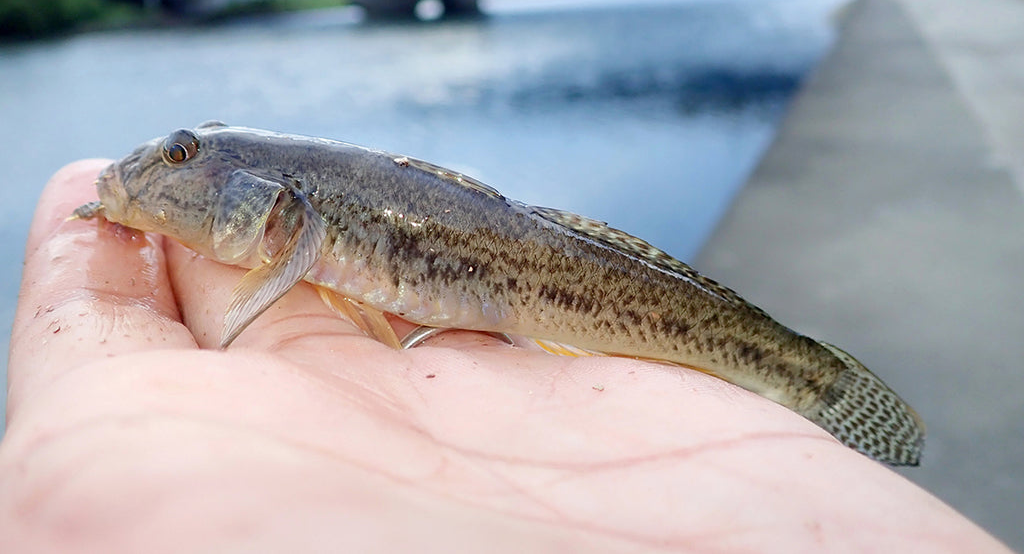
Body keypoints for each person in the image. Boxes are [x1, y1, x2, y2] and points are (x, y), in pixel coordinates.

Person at [0, 161, 1010, 552]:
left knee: (736, 340)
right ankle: (791, 373)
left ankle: (795, 374)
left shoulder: (288, 206)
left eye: (182, 161)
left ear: (276, 210)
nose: (156, 176)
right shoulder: (279, 214)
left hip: (572, 282)